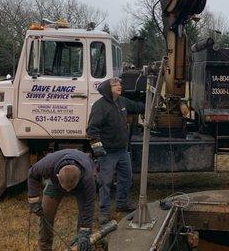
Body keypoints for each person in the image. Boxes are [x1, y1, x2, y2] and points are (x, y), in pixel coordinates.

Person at [87, 77, 145, 224]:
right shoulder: (100, 106)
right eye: (115, 84)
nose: (119, 86)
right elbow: (92, 129)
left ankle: (121, 204)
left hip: (122, 151)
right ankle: (104, 212)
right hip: (108, 153)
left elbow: (138, 107)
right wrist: (97, 147)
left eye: (120, 84)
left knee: (126, 178)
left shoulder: (122, 101)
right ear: (108, 88)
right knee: (105, 183)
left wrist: (150, 104)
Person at [27, 149, 95, 251]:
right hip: (55, 185)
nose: (67, 192)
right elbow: (32, 174)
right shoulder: (47, 164)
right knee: (45, 214)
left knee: (83, 221)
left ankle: (81, 245)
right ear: (58, 176)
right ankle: (44, 247)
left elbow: (88, 205)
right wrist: (34, 200)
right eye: (66, 189)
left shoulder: (87, 178)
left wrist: (85, 230)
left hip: (80, 187)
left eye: (69, 190)